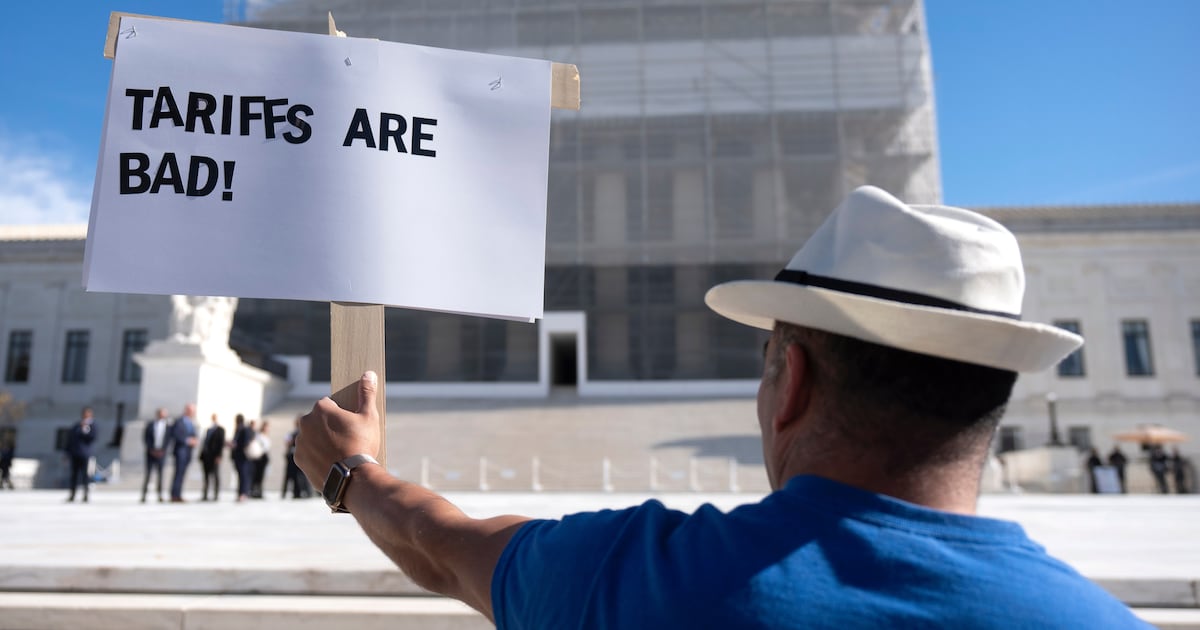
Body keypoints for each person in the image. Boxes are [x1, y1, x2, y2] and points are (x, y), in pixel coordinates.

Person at [294, 186, 1150, 628]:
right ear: (992, 400)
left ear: (794, 381)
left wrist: (350, 472)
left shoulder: (641, 581)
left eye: (766, 361)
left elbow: (441, 548)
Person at [166, 403, 199, 503]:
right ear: (187, 410)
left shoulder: (191, 423)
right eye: (192, 411)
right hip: (180, 451)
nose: (193, 413)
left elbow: (193, 435)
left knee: (182, 474)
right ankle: (174, 495)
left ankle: (178, 494)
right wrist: (188, 441)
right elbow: (175, 435)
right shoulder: (179, 422)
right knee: (178, 474)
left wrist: (195, 440)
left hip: (188, 452)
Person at [65, 407, 97, 503]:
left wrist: (84, 430)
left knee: (85, 475)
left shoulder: (92, 426)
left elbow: (92, 437)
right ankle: (72, 494)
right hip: (75, 454)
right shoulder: (76, 425)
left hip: (85, 454)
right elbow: (70, 439)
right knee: (74, 475)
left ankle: (85, 495)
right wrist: (67, 452)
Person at [141, 408, 170, 503]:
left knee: (161, 474)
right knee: (148, 474)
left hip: (162, 453)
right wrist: (151, 450)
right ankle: (144, 495)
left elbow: (168, 440)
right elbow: (146, 438)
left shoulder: (168, 426)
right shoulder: (150, 425)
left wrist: (163, 450)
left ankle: (160, 494)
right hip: (151, 453)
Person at [282, 416, 312, 499]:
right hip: (299, 457)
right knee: (301, 475)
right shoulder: (299, 433)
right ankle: (303, 492)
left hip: (296, 457)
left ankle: (298, 492)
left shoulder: (295, 434)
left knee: (298, 476)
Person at [200, 413, 227, 501]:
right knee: (206, 476)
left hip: (214, 456)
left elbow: (221, 444)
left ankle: (216, 494)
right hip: (206, 456)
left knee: (215, 475)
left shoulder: (220, 430)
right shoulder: (209, 429)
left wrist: (219, 456)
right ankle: (205, 494)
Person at [228, 414, 253, 502]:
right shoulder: (238, 429)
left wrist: (236, 445)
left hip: (243, 456)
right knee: (240, 475)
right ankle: (240, 493)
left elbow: (246, 442)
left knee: (243, 475)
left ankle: (243, 493)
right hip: (237, 456)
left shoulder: (244, 429)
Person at [250, 420, 271, 499]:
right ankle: (255, 491)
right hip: (259, 457)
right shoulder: (259, 436)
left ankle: (259, 491)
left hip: (265, 457)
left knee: (261, 476)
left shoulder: (266, 436)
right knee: (257, 475)